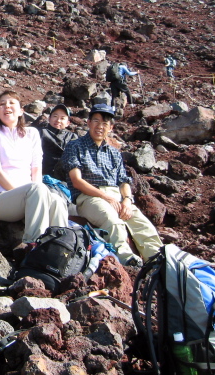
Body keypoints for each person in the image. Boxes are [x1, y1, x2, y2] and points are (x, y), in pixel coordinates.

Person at [60, 104, 163, 266]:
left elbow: (123, 181)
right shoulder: (75, 146)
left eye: (105, 123)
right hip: (89, 197)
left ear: (111, 127)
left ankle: (159, 260)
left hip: (117, 196)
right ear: (88, 123)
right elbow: (76, 181)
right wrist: (106, 197)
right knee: (113, 221)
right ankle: (126, 259)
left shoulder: (114, 152)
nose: (100, 126)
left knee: (142, 225)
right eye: (96, 121)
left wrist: (127, 200)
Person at [0, 90, 69, 246]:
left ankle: (60, 249)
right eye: (2, 104)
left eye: (12, 103)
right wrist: (27, 194)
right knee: (37, 190)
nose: (7, 106)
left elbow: (36, 168)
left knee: (57, 201)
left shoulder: (32, 133)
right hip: (1, 198)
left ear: (21, 111)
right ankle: (34, 246)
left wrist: (35, 195)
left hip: (30, 195)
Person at [40, 104, 77, 179]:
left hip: (64, 177)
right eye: (55, 116)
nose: (58, 120)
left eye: (62, 118)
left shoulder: (72, 137)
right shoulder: (41, 133)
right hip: (42, 174)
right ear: (49, 119)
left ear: (68, 123)